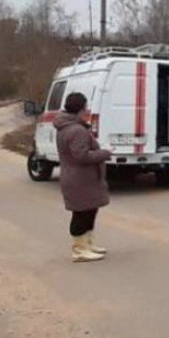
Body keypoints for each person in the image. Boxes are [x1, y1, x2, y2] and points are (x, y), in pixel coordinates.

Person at [55, 92, 112, 263]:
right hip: (79, 178)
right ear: (80, 108)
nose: (87, 110)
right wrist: (104, 154)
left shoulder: (69, 127)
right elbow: (81, 156)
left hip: (82, 178)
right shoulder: (76, 130)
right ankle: (79, 249)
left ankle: (88, 243)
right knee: (81, 213)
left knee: (90, 209)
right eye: (85, 107)